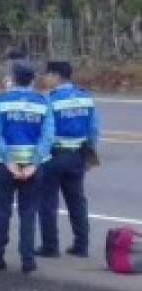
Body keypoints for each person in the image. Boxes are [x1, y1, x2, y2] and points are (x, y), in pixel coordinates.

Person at [0, 61, 54, 273]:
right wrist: (33, 164)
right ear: (32, 80)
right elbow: (47, 137)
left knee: (1, 211)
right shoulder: (43, 102)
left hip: (3, 166)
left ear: (13, 78)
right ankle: (27, 259)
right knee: (28, 212)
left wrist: (9, 162)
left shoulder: (0, 100)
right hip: (32, 167)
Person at [37, 61, 98, 258]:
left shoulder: (49, 99)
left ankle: (50, 246)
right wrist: (90, 156)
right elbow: (93, 130)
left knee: (47, 202)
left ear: (56, 75)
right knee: (77, 201)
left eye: (47, 75)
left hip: (54, 156)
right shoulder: (85, 97)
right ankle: (81, 245)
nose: (45, 78)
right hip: (77, 156)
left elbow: (44, 132)